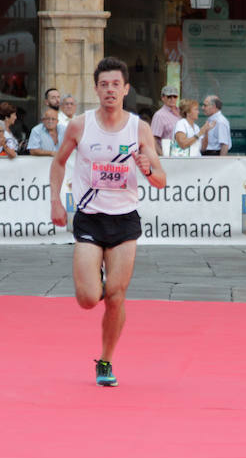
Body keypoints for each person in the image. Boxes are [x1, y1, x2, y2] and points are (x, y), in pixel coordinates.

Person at [49, 56, 165, 387]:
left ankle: (106, 360)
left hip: (124, 220)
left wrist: (147, 168)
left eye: (116, 85)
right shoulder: (80, 125)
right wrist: (56, 201)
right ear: (96, 89)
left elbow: (161, 179)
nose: (110, 90)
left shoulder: (139, 128)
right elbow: (58, 164)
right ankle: (97, 279)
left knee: (115, 295)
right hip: (89, 218)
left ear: (126, 89)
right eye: (104, 85)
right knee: (88, 299)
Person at [150, 85, 181, 155]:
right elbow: (153, 139)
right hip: (168, 155)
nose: (172, 99)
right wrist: (163, 157)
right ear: (163, 98)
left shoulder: (181, 113)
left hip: (182, 154)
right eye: (169, 97)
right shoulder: (159, 115)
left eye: (175, 96)